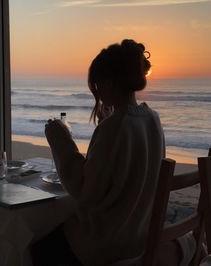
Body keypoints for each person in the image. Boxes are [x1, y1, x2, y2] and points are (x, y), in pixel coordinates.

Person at [32, 39, 167, 265]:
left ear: (109, 82)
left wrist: (60, 139)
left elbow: (85, 191)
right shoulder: (152, 119)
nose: (97, 91)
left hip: (107, 244)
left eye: (97, 84)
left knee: (36, 245)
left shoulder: (115, 126)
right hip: (139, 237)